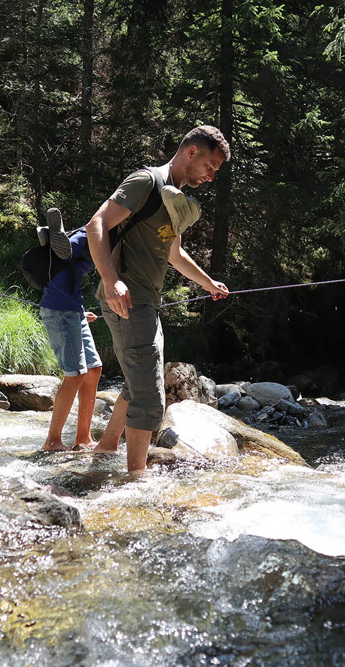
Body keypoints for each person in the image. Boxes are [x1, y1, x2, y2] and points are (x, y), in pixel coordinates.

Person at [86, 125, 231, 472]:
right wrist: (111, 280)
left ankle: (106, 449)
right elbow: (97, 224)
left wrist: (209, 283)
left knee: (138, 383)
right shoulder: (146, 182)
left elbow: (175, 256)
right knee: (150, 397)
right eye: (210, 166)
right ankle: (135, 479)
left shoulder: (174, 198)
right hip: (126, 300)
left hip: (146, 303)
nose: (211, 176)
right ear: (191, 152)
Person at [37, 208, 103, 451]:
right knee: (75, 374)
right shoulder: (94, 234)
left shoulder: (103, 237)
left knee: (93, 369)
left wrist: (79, 312)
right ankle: (52, 441)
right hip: (59, 310)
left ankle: (83, 437)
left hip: (74, 309)